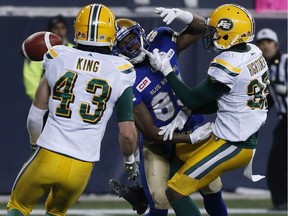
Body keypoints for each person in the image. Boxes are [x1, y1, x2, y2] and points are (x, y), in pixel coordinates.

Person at [7, 4, 139, 216]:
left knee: (18, 207)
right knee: (57, 212)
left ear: (78, 29)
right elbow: (127, 134)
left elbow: (34, 117)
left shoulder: (58, 56)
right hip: (82, 165)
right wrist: (130, 162)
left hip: (48, 153)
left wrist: (35, 144)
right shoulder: (122, 70)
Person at [143, 4, 269, 216]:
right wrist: (188, 112)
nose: (211, 35)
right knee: (180, 159)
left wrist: (167, 72)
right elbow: (222, 99)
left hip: (233, 143)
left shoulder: (228, 63)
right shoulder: (253, 52)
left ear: (230, 34)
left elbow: (192, 99)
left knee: (174, 192)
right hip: (240, 133)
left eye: (216, 31)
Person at [109, 7, 227, 216]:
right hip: (159, 145)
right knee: (160, 200)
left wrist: (184, 15)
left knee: (212, 187)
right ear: (117, 50)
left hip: (190, 124)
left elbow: (202, 29)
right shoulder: (125, 77)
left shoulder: (161, 43)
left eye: (133, 39)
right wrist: (190, 138)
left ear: (141, 34)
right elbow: (150, 131)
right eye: (124, 44)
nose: (132, 46)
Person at [256, 28, 287, 210]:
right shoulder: (264, 70)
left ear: (276, 44)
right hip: (284, 121)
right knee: (276, 163)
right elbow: (270, 99)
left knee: (278, 163)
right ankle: (281, 202)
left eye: (268, 41)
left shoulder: (286, 61)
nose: (265, 45)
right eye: (261, 43)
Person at [23, 15, 73, 100]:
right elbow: (31, 79)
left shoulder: (75, 51)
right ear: (50, 31)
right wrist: (43, 100)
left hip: (69, 105)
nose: (60, 31)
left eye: (62, 27)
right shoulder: (39, 53)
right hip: (46, 105)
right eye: (56, 28)